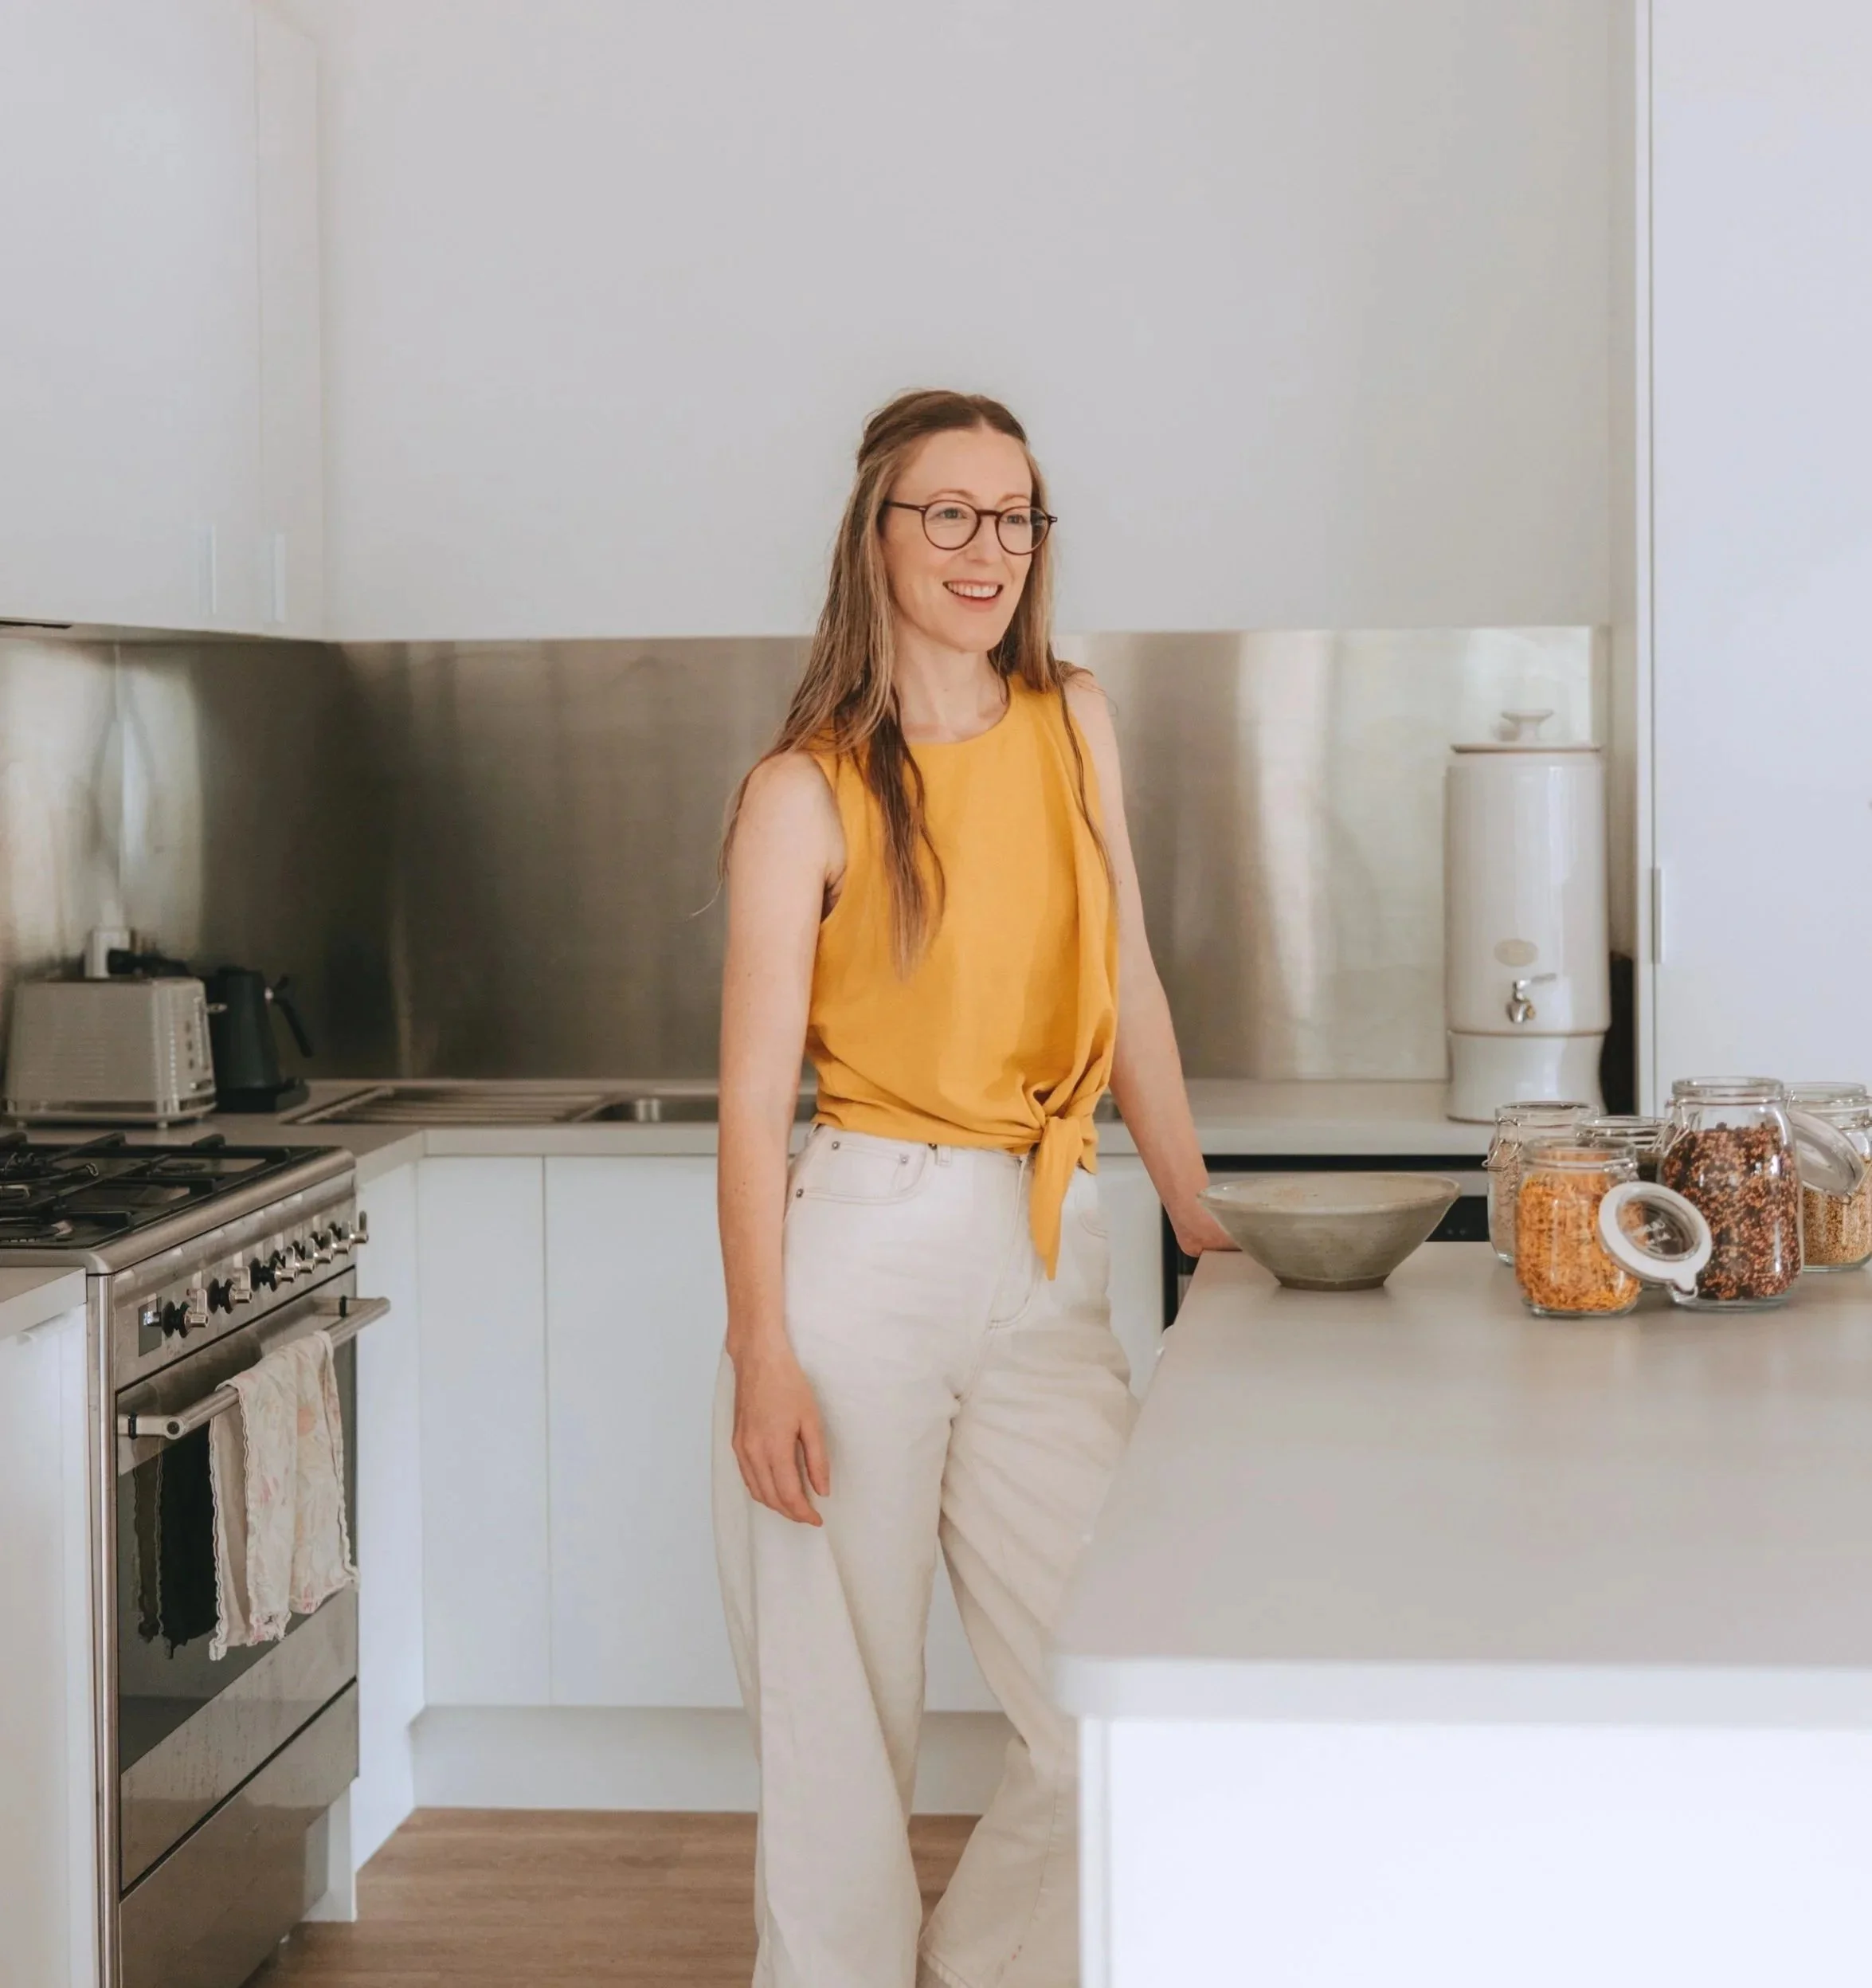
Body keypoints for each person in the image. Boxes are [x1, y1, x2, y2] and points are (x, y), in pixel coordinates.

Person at [713, 387, 1232, 1988]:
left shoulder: (1072, 717)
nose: (983, 547)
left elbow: (1127, 977)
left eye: (1011, 515)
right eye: (946, 512)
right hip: (856, 1261)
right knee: (834, 1743)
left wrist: (1203, 1221)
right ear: (873, 534)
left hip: (1045, 1245)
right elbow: (745, 1100)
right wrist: (762, 1355)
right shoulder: (802, 788)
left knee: (1111, 1706)